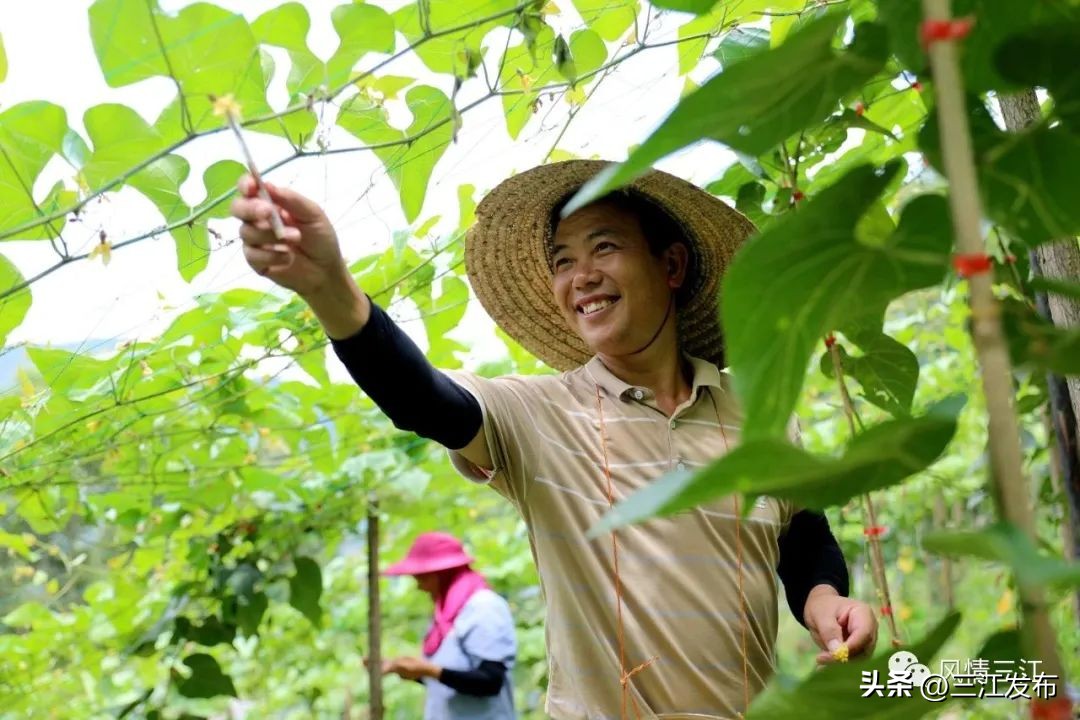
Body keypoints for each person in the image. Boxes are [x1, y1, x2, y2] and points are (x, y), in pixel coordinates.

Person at [232, 159, 877, 720]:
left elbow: (799, 533)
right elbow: (421, 398)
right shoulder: (536, 416)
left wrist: (826, 599)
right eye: (563, 261)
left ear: (672, 264)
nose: (581, 275)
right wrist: (330, 288)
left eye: (604, 248)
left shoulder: (758, 414)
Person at [371, 531, 517, 720]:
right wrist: (410, 670)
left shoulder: (484, 607)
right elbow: (451, 677)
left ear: (444, 574)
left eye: (423, 577)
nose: (420, 586)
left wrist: (428, 670)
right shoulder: (447, 614)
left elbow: (490, 681)